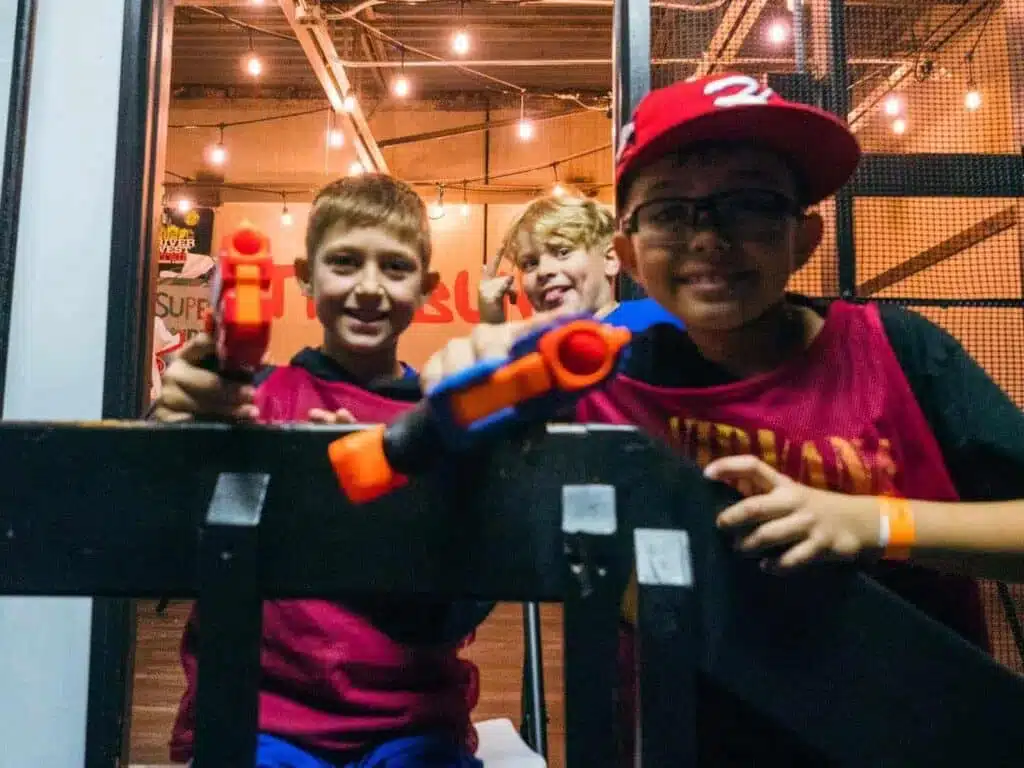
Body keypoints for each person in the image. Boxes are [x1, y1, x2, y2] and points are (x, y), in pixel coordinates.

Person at [421, 73, 1024, 764]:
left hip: (918, 734)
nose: (709, 238)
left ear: (804, 237)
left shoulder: (894, 350)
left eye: (750, 204)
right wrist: (464, 391)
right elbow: (445, 540)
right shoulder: (596, 380)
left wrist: (872, 523)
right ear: (629, 254)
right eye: (673, 211)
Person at [152, 174, 488, 768]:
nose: (368, 287)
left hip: (409, 721)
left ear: (427, 289)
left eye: (394, 267)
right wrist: (170, 421)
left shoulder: (440, 425)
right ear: (305, 277)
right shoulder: (250, 400)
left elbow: (461, 602)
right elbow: (149, 517)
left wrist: (379, 494)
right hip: (261, 718)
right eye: (344, 262)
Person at [477, 195, 683, 332]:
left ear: (610, 260)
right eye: (530, 263)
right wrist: (492, 326)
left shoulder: (661, 322)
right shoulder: (532, 350)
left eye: (562, 252)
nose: (544, 271)